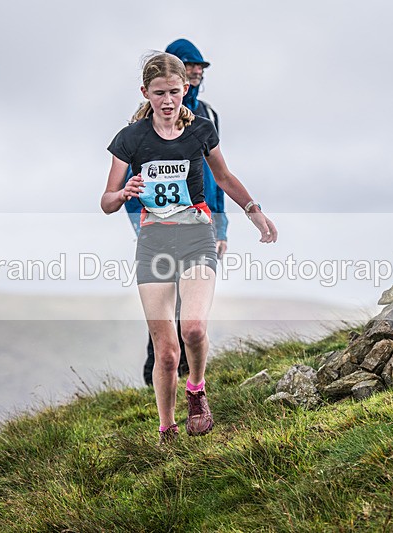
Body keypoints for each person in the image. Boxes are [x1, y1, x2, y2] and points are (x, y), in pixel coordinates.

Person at [102, 52, 277, 443]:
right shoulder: (130, 139)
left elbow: (225, 176)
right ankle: (167, 430)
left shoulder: (200, 130)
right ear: (146, 92)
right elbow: (106, 200)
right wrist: (122, 192)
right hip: (154, 242)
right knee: (165, 353)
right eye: (160, 93)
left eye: (175, 92)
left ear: (186, 89)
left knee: (193, 328)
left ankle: (196, 391)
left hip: (197, 235)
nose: (168, 101)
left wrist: (255, 212)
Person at [125, 38, 228, 387]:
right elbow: (131, 182)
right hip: (159, 225)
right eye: (191, 65)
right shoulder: (146, 121)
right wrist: (144, 228)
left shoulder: (207, 116)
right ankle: (157, 368)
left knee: (193, 302)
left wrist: (222, 226)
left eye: (201, 66)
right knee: (165, 301)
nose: (198, 71)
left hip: (202, 222)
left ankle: (187, 374)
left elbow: (218, 175)